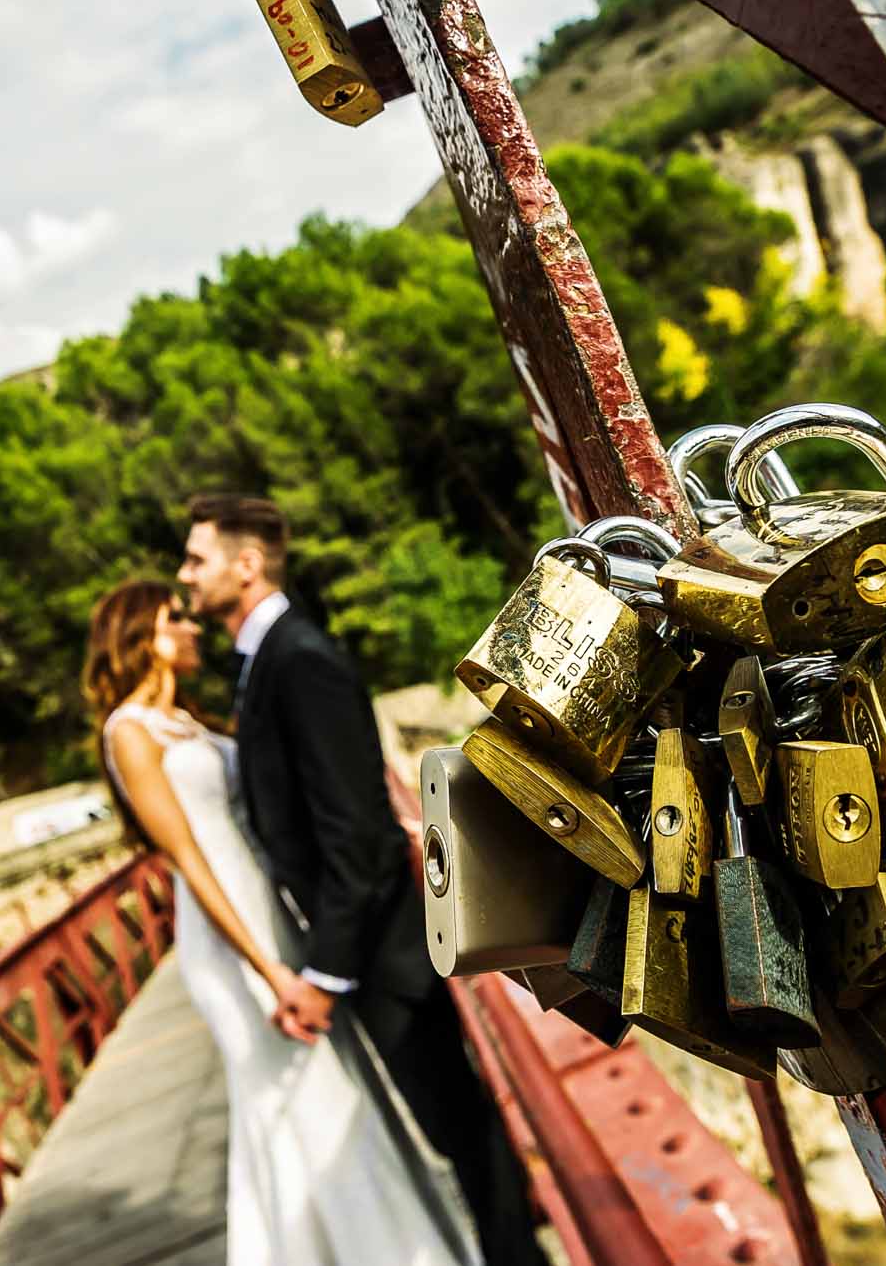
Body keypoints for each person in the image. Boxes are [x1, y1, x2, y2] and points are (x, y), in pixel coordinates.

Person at [177, 495, 551, 1266]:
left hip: (384, 951)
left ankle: (518, 1256)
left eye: (196, 559)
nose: (185, 575)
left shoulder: (301, 659)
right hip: (368, 949)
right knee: (451, 1127)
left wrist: (325, 973)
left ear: (246, 565)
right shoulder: (267, 659)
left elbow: (357, 835)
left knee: (457, 1126)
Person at [84, 578, 479, 1266]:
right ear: (141, 636)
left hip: (275, 915)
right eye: (175, 619)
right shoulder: (130, 732)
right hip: (231, 939)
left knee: (341, 1082)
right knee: (295, 1098)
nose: (192, 627)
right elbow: (188, 861)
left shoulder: (192, 722)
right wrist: (268, 971)